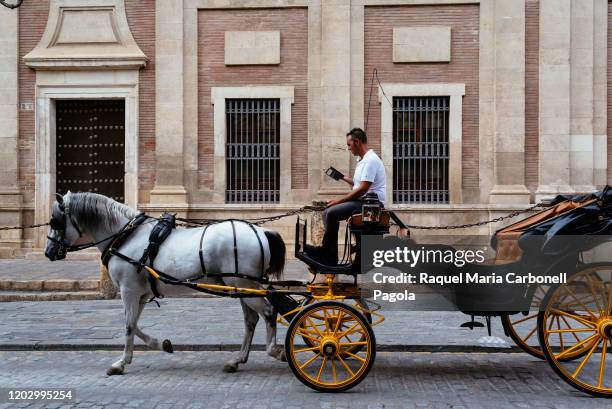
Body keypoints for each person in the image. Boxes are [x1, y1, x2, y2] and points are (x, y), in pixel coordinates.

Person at [307, 128, 386, 264]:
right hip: (364, 202)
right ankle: (328, 254)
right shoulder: (362, 160)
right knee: (328, 212)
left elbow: (362, 189)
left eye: (349, 144)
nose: (348, 148)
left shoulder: (370, 160)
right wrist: (342, 177)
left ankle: (328, 257)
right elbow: (358, 183)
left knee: (330, 213)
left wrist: (338, 201)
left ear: (357, 142)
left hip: (370, 205)